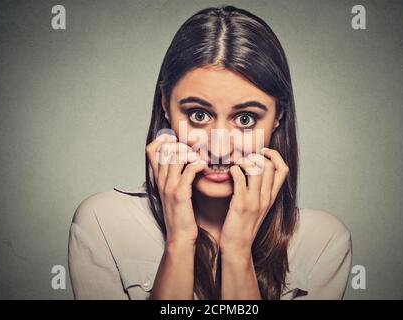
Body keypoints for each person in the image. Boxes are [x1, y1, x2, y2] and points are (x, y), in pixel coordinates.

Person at [68, 5, 352, 300]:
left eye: (245, 119)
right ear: (165, 106)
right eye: (199, 115)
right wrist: (178, 243)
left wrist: (237, 252)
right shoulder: (104, 223)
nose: (218, 148)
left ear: (278, 117)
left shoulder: (323, 241)